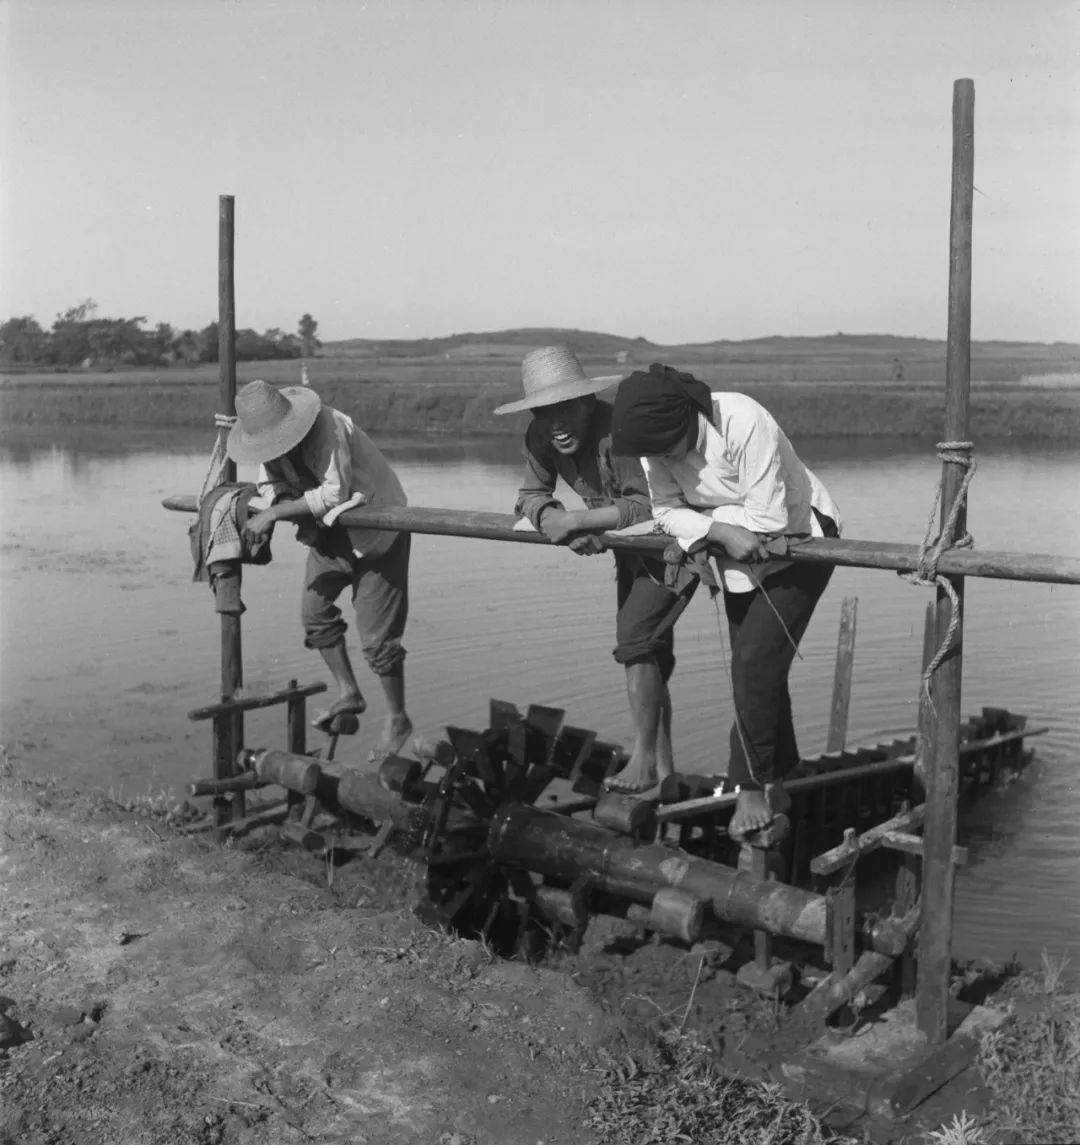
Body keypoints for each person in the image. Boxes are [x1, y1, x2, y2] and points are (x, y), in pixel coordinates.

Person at [610, 363, 840, 839]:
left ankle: (751, 784)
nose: (662, 458)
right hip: (734, 557)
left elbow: (768, 518)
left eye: (667, 446)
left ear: (684, 419)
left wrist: (703, 521)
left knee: (754, 664)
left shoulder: (741, 420)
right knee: (759, 667)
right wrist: (714, 529)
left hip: (801, 544)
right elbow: (666, 512)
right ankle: (779, 778)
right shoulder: (655, 449)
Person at [494, 345, 698, 795]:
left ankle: (644, 760)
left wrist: (580, 520)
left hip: (674, 542)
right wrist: (555, 522)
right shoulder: (539, 437)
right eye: (545, 411)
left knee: (635, 641)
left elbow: (648, 505)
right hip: (629, 549)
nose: (556, 423)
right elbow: (529, 493)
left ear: (588, 401)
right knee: (649, 651)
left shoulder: (619, 433)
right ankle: (666, 777)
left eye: (566, 407)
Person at [226, 378, 413, 762]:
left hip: (377, 528)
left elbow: (334, 494)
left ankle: (398, 718)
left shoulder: (329, 428)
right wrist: (276, 503)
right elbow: (271, 484)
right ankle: (350, 692)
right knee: (315, 616)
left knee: (378, 641)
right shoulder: (268, 442)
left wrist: (277, 513)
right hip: (331, 533)